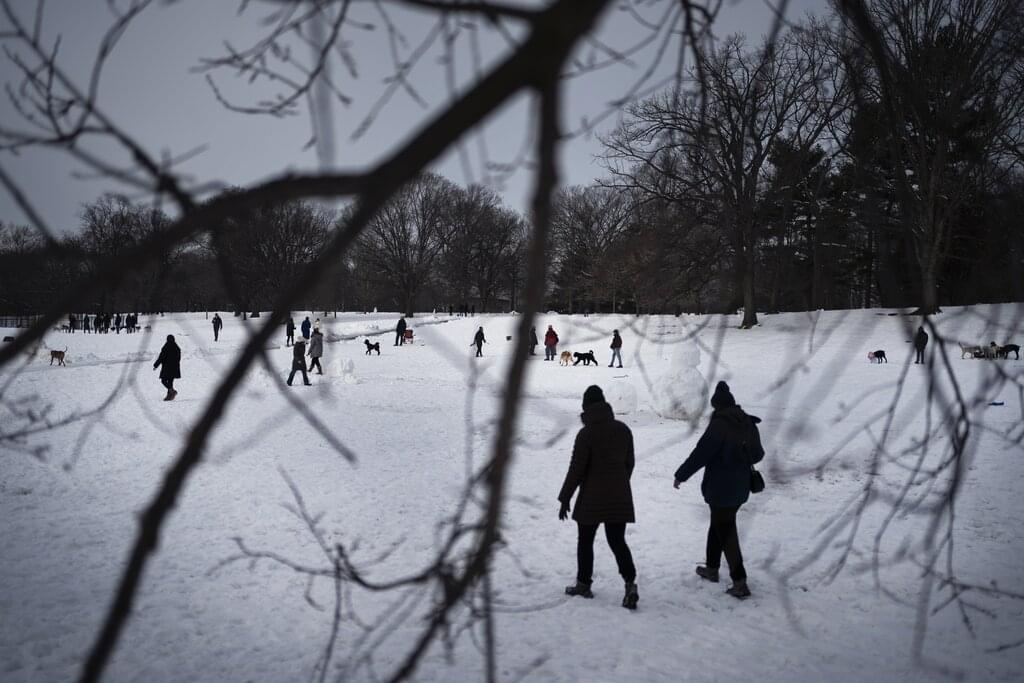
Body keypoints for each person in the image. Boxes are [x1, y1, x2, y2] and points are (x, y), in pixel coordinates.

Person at [673, 381, 764, 600]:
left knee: (726, 530)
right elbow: (759, 454)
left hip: (721, 488)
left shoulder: (719, 425)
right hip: (740, 487)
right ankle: (712, 569)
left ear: (717, 406)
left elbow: (701, 454)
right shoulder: (748, 423)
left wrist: (681, 475)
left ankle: (739, 581)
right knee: (719, 524)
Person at [558, 385, 638, 610]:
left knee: (585, 541)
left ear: (586, 408)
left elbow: (577, 469)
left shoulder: (586, 434)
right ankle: (630, 583)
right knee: (617, 541)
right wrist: (619, 484)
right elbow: (629, 464)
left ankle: (584, 584)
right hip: (619, 497)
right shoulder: (623, 430)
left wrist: (565, 498)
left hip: (591, 499)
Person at [153, 334, 182, 401]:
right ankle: (169, 396)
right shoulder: (177, 347)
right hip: (174, 368)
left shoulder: (166, 347)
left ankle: (172, 391)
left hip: (167, 367)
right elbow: (178, 358)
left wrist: (155, 365)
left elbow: (161, 357)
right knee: (170, 382)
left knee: (163, 380)